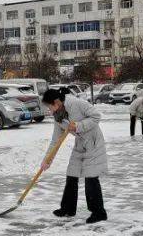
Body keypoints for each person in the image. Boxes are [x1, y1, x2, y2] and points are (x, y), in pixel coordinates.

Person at [41, 88, 108, 223]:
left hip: (93, 142)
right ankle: (68, 208)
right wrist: (47, 160)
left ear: (56, 102)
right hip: (80, 144)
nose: (50, 110)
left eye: (50, 107)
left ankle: (99, 212)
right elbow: (56, 140)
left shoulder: (76, 103)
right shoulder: (58, 116)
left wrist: (78, 125)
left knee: (90, 177)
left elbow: (96, 116)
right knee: (71, 175)